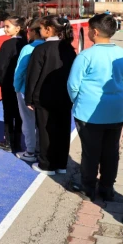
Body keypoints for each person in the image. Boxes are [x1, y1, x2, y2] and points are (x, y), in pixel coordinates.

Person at [67, 14, 123, 200]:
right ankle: (107, 188)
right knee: (111, 152)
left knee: (90, 152)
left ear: (94, 32)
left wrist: (77, 101)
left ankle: (87, 186)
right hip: (116, 112)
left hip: (89, 114)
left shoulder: (86, 55)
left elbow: (73, 85)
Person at [25, 16, 77, 175]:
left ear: (48, 29)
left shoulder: (40, 50)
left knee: (45, 130)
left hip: (44, 98)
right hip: (64, 96)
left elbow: (32, 76)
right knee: (63, 129)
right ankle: (61, 164)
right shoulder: (68, 48)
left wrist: (29, 98)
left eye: (41, 28)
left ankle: (46, 165)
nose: (39, 32)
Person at [0, 16, 28, 153]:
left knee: (8, 113)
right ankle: (18, 142)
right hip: (22, 85)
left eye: (8, 26)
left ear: (17, 28)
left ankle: (8, 142)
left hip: (8, 84)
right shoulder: (26, 43)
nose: (4, 29)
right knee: (19, 113)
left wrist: (0, 80)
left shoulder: (7, 44)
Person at [13, 18, 45, 163]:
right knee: (42, 123)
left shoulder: (28, 49)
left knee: (28, 121)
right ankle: (40, 150)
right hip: (43, 92)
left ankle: (30, 151)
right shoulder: (48, 47)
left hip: (26, 90)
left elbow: (20, 72)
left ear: (32, 31)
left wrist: (16, 87)